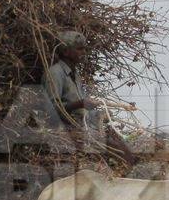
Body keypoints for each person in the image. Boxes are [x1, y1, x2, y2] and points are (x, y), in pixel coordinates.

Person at [44, 30, 137, 168]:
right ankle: (131, 172)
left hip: (84, 125)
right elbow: (52, 109)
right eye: (79, 49)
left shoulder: (76, 74)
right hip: (66, 128)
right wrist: (81, 103)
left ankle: (132, 169)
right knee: (113, 146)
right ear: (66, 52)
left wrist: (98, 112)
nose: (83, 52)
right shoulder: (55, 73)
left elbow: (83, 108)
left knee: (119, 141)